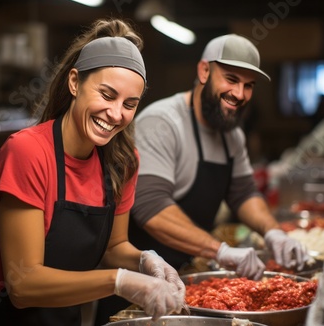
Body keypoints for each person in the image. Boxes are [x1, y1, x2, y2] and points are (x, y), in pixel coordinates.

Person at [0, 18, 185, 326]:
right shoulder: (27, 153)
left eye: (130, 104)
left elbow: (113, 247)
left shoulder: (122, 161)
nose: (117, 114)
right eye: (107, 95)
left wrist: (145, 261)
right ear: (75, 82)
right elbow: (22, 286)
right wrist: (120, 281)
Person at [128, 34, 310, 280]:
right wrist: (219, 250)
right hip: (140, 278)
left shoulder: (231, 134)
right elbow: (150, 207)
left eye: (248, 85)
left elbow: (244, 193)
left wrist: (273, 232)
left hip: (186, 271)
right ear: (204, 71)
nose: (239, 93)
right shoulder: (162, 123)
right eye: (231, 79)